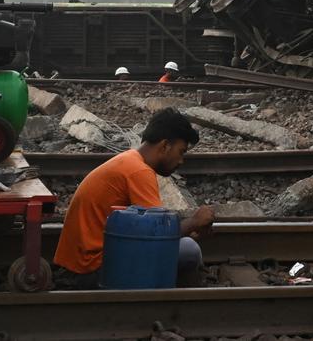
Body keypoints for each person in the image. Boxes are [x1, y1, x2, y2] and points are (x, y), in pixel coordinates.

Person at [54, 108, 215, 288]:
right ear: (165, 146)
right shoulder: (139, 171)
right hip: (93, 269)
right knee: (189, 250)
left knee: (184, 243)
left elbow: (142, 230)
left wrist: (186, 230)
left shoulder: (129, 160)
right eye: (181, 151)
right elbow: (158, 233)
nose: (181, 161)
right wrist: (194, 221)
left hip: (81, 265)